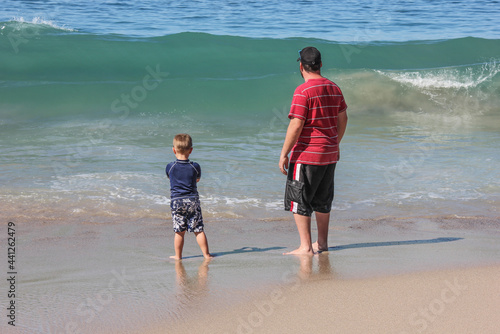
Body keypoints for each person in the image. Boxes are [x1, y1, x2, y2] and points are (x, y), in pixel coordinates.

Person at [279, 47, 348, 256]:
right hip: (329, 153)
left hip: (307, 155)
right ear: (320, 65)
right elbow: (343, 119)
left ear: (301, 66)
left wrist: (284, 153)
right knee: (323, 199)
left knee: (299, 199)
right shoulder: (334, 88)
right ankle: (322, 243)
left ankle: (305, 247)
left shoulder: (303, 91)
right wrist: (335, 143)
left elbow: (296, 124)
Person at [166, 133, 213, 260]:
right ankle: (206, 255)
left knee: (179, 232)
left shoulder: (170, 167)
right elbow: (197, 180)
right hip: (192, 200)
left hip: (177, 202)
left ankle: (178, 256)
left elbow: (170, 178)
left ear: (173, 150)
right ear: (191, 150)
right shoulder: (195, 166)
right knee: (198, 229)